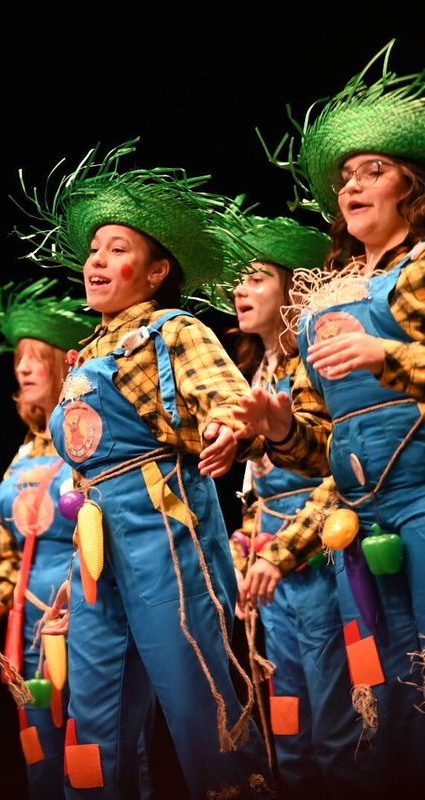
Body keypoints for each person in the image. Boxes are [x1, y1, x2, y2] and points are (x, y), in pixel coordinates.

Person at [16, 141, 270, 797]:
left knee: (199, 701)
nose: (98, 260)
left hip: (165, 531)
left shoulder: (173, 329)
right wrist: (74, 569)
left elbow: (226, 397)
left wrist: (225, 428)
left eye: (118, 249)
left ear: (156, 272)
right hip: (97, 549)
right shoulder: (89, 352)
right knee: (94, 715)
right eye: (95, 248)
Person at [236, 42, 425, 791]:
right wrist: (281, 430)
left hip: (421, 501)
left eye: (372, 170)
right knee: (381, 696)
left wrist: (391, 357)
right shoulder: (326, 299)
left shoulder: (420, 271)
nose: (352, 184)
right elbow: (331, 451)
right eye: (345, 176)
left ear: (413, 187)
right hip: (358, 520)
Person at [228, 215, 374, 796]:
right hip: (270, 569)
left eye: (257, 278)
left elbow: (338, 466)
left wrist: (282, 553)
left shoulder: (315, 356)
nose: (241, 290)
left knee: (334, 723)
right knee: (284, 720)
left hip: (316, 557)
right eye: (239, 279)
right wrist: (245, 556)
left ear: (293, 290)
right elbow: (251, 486)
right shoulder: (253, 373)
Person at [0, 279, 97, 798]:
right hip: (25, 634)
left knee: (93, 749)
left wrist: (79, 599)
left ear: (64, 364)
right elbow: (6, 556)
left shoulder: (89, 436)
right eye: (18, 358)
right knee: (38, 754)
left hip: (85, 617)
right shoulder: (23, 452)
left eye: (35, 357)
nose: (22, 368)